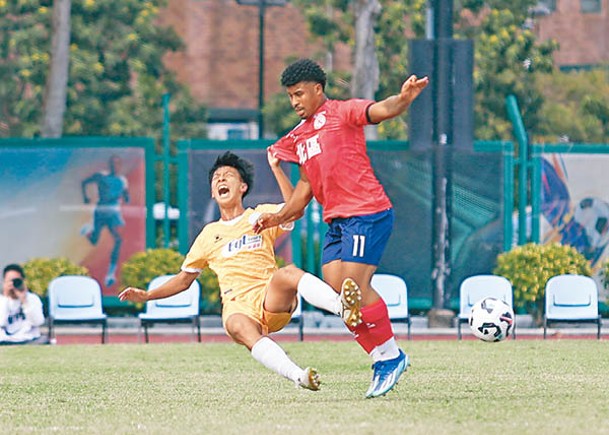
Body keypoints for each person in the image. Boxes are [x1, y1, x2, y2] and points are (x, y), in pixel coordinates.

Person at [254, 58, 429, 398]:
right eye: (290, 96)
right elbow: (301, 197)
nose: (295, 102)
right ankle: (382, 358)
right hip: (336, 221)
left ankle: (390, 357)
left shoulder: (342, 112)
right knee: (341, 296)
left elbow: (380, 110)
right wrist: (274, 218)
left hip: (368, 212)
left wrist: (404, 99)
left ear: (318, 89)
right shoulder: (299, 138)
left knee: (354, 287)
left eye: (300, 94)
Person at [119, 151, 357, 391]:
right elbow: (183, 281)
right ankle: (298, 376)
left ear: (242, 186)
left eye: (228, 175)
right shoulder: (208, 235)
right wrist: (148, 296)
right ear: (213, 192)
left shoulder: (259, 215)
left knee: (289, 272)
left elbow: (295, 210)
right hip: (238, 305)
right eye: (216, 178)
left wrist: (276, 168)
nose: (221, 179)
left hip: (269, 296)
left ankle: (341, 307)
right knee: (235, 324)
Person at [81, 155, 130, 287]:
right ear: (110, 165)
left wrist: (126, 197)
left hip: (113, 212)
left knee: (118, 239)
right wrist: (86, 197)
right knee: (94, 240)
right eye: (113, 163)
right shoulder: (101, 176)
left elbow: (126, 195)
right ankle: (87, 230)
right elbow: (85, 182)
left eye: (118, 163)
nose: (116, 166)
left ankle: (111, 273)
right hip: (101, 210)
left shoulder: (122, 180)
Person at [0, 264, 46, 345]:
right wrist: (5, 298)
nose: (13, 284)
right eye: (9, 281)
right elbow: (1, 323)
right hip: (5, 341)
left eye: (16, 281)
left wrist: (24, 301)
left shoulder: (32, 298)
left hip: (29, 339)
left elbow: (38, 322)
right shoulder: (2, 300)